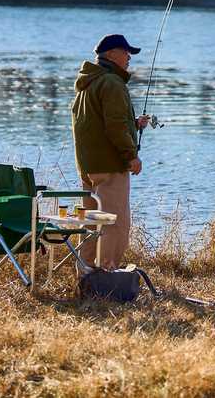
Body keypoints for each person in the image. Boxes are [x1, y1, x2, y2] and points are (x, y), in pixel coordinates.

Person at [70, 34, 152, 269]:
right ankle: (108, 274)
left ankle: (86, 273)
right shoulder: (113, 83)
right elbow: (114, 126)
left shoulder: (87, 83)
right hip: (110, 166)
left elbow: (98, 122)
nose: (129, 58)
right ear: (111, 54)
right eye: (126, 53)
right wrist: (131, 156)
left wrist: (133, 124)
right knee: (115, 223)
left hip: (88, 167)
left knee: (90, 222)